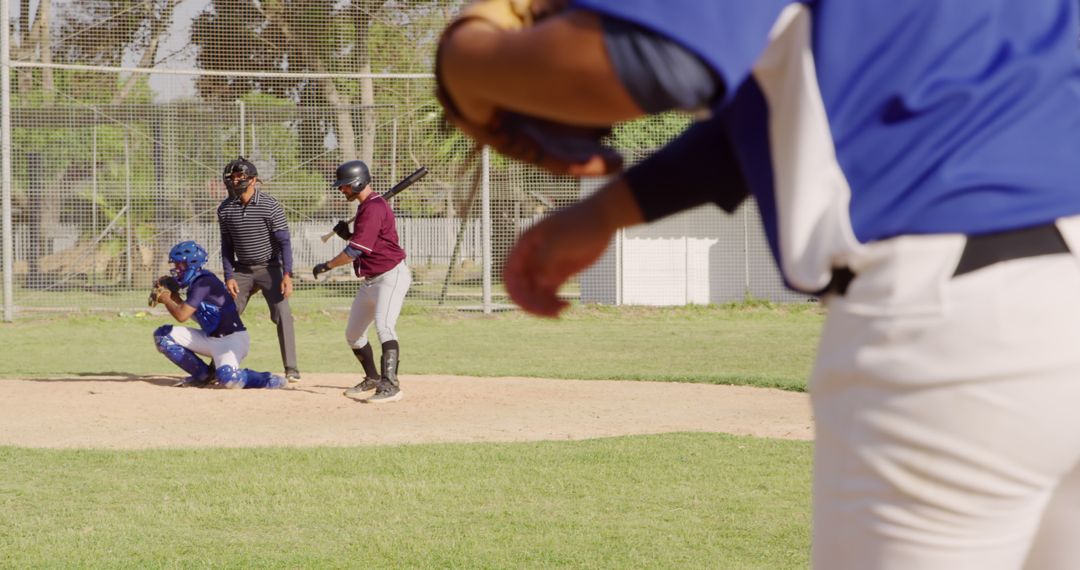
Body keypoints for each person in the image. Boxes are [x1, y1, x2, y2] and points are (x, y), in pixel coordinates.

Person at [437, 2, 1080, 568]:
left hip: (957, 334)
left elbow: (650, 63)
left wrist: (464, 55)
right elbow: (772, 105)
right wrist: (604, 212)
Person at [312, 160, 412, 404]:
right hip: (371, 280)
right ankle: (373, 378)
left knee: (385, 327)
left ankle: (391, 386)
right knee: (354, 334)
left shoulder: (374, 207)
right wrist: (348, 234)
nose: (341, 190)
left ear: (356, 182)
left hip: (390, 276)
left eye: (344, 186)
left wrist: (327, 265)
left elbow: (355, 251)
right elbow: (369, 240)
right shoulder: (367, 206)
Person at [152, 240, 288, 390]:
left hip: (231, 340)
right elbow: (189, 311)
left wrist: (166, 299)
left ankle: (267, 379)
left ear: (192, 263)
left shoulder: (204, 282)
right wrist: (173, 297)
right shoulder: (196, 284)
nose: (177, 269)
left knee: (229, 379)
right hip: (210, 338)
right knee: (163, 336)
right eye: (176, 265)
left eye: (180, 265)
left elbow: (182, 316)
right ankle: (203, 376)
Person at [217, 157, 301, 383]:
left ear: (253, 180)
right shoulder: (225, 209)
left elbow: (284, 243)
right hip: (242, 270)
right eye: (231, 177)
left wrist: (287, 275)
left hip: (270, 268)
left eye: (239, 177)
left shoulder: (270, 205)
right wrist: (228, 276)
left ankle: (291, 368)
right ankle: (217, 366)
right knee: (226, 315)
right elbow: (226, 246)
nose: (235, 181)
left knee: (283, 314)